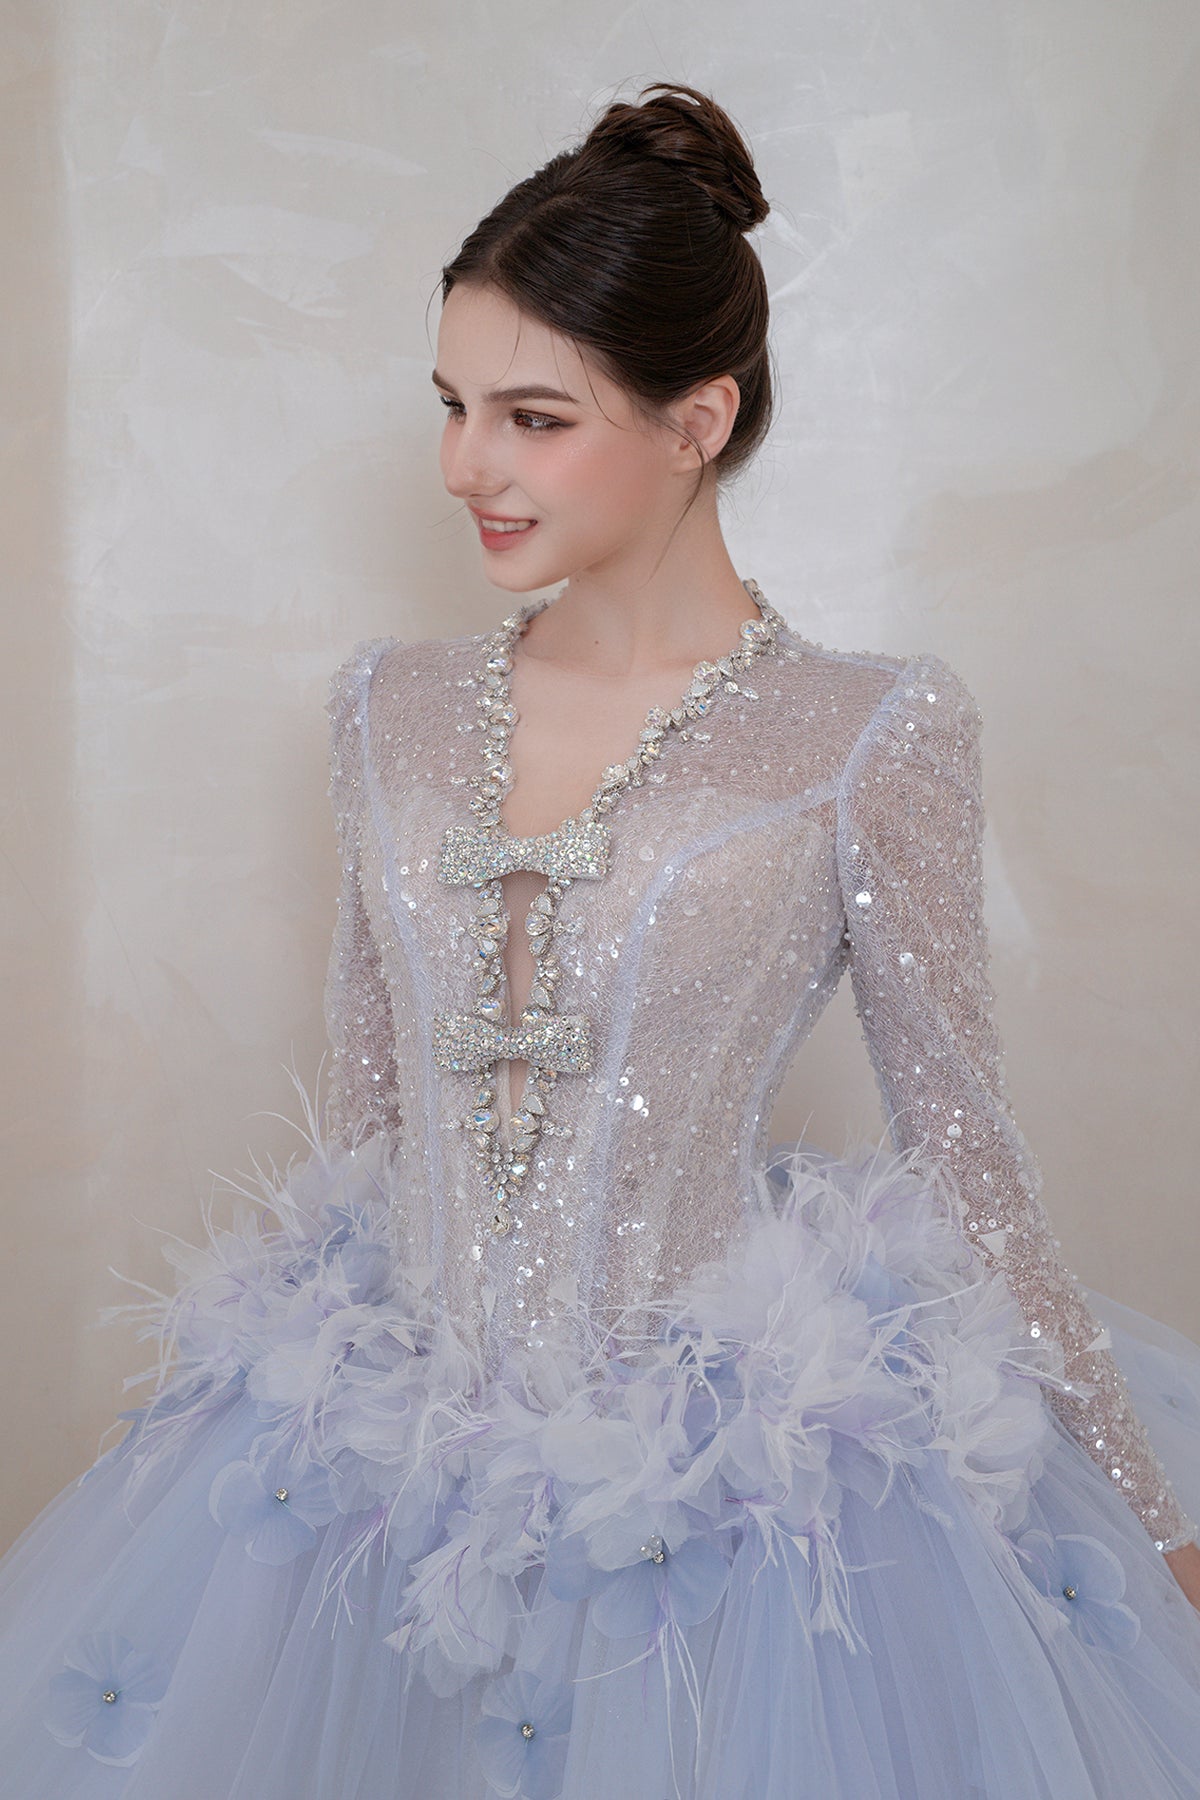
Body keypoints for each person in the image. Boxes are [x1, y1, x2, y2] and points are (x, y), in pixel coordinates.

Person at [1, 79, 1199, 1800]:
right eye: (452, 406)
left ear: (700, 418)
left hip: (720, 1512)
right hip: (376, 1472)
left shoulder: (869, 731)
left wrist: (1155, 1529)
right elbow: (372, 1120)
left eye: (533, 417)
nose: (464, 468)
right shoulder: (387, 709)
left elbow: (966, 1155)